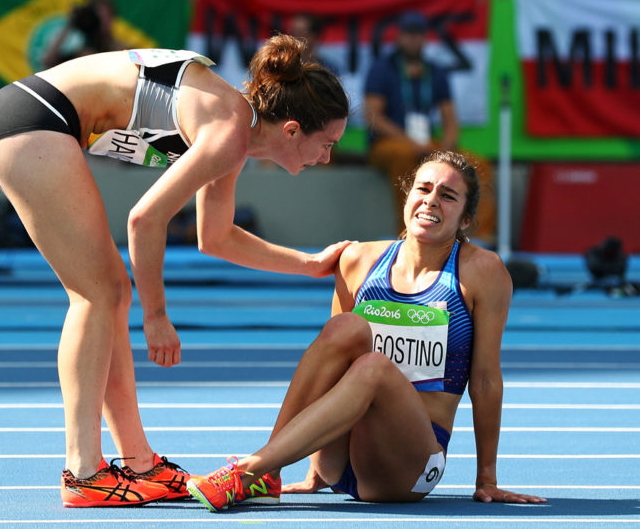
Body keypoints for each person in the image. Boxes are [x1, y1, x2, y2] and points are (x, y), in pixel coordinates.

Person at [0, 34, 350, 507]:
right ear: (292, 130)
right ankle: (83, 472)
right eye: (327, 143)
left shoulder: (235, 132)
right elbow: (144, 219)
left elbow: (216, 237)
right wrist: (156, 316)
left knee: (108, 291)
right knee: (98, 293)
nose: (327, 157)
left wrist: (309, 264)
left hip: (32, 118)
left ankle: (140, 463)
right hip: (32, 118)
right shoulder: (229, 133)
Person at [186, 151, 547, 510]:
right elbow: (330, 363)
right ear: (407, 198)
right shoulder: (359, 260)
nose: (431, 201)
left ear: (466, 219)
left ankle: (252, 469)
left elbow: (484, 380)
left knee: (373, 368)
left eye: (447, 196)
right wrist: (315, 473)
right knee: (345, 328)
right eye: (423, 189)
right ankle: (270, 468)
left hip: (410, 467)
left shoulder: (481, 271)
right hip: (337, 460)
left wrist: (487, 479)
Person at [363, 11, 496, 245]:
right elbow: (373, 117)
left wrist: (446, 149)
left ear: (425, 38)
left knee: (478, 166)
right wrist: (410, 142)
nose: (413, 40)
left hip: (426, 144)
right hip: (391, 144)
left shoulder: (435, 71)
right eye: (408, 34)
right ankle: (408, 234)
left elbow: (450, 120)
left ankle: (477, 238)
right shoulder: (382, 68)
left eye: (418, 35)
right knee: (405, 157)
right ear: (399, 37)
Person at [43, 0, 125, 69]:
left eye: (105, 16)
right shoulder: (79, 49)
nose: (101, 21)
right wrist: (71, 23)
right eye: (97, 16)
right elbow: (48, 61)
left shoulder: (118, 51)